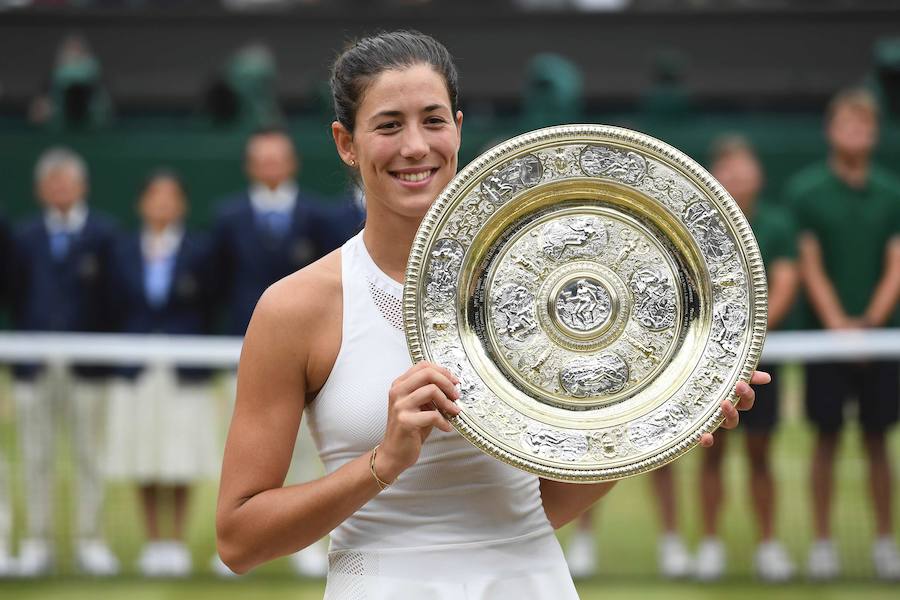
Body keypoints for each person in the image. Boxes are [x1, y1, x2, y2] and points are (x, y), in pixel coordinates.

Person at [215, 30, 765, 597]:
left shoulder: (541, 287)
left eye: (432, 121)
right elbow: (239, 539)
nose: (414, 146)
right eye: (387, 125)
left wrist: (655, 426)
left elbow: (534, 509)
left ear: (457, 126)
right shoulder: (296, 307)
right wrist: (384, 461)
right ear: (345, 143)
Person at [210, 127, 341, 577]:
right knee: (234, 447)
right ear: (250, 166)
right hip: (240, 350)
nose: (270, 167)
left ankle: (307, 544)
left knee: (308, 450)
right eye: (261, 159)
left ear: (291, 164)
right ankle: (230, 533)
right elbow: (218, 281)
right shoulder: (227, 218)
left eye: (277, 159)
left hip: (309, 357)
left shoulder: (316, 217)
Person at [786, 88, 900, 581]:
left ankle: (883, 544)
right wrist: (838, 327)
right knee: (825, 442)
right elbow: (809, 266)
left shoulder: (892, 192)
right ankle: (823, 545)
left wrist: (871, 325)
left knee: (878, 443)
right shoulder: (806, 192)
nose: (858, 134)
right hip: (824, 344)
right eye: (849, 125)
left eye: (866, 127)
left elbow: (896, 263)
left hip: (882, 341)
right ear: (832, 131)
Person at [692, 135, 799, 582]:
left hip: (759, 360)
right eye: (728, 169)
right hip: (708, 364)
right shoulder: (700, 228)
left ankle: (768, 546)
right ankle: (711, 546)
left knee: (760, 455)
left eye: (744, 168)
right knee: (712, 454)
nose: (737, 177)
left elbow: (786, 279)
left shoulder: (777, 224)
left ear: (759, 175)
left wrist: (748, 340)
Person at [9, 147, 119, 576]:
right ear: (39, 190)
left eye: (66, 182)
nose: (59, 190)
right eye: (51, 183)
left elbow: (113, 299)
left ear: (81, 187)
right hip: (33, 364)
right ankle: (37, 541)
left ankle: (91, 540)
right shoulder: (23, 238)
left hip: (88, 367)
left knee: (90, 455)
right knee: (35, 455)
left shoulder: (104, 235)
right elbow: (17, 294)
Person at [105, 171, 219, 577]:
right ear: (142, 204)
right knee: (145, 454)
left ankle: (177, 541)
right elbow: (113, 306)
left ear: (182, 205)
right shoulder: (121, 250)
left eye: (171, 197)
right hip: (135, 368)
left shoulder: (200, 251)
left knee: (180, 455)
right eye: (155, 197)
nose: (163, 205)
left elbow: (209, 306)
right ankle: (154, 541)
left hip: (184, 367)